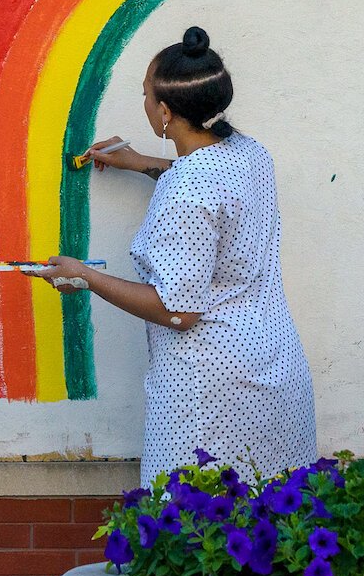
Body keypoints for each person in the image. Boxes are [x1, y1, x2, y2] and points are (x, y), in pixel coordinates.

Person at [30, 26, 318, 482]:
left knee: (192, 525)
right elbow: (211, 190)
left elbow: (179, 311)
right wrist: (141, 161)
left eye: (145, 94)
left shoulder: (186, 188)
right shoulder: (250, 154)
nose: (144, 101)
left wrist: (83, 275)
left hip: (210, 386)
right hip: (274, 364)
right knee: (267, 524)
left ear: (164, 111)